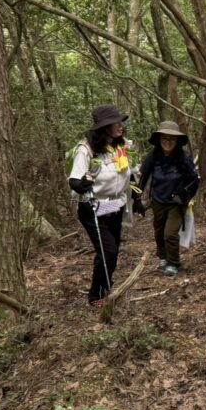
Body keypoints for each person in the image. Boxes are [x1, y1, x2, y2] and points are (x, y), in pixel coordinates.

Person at [68, 104, 144, 306]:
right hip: (92, 207)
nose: (120, 126)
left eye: (120, 122)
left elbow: (130, 174)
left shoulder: (122, 146)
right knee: (108, 251)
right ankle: (96, 295)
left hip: (115, 205)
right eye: (115, 123)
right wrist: (82, 184)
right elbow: (74, 180)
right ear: (104, 127)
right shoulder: (86, 149)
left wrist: (137, 199)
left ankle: (106, 285)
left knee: (110, 251)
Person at [137, 121, 200, 276]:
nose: (168, 142)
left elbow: (194, 180)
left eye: (172, 139)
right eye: (165, 138)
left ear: (177, 140)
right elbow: (143, 177)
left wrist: (184, 194)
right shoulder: (153, 157)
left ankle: (173, 262)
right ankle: (163, 257)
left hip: (176, 203)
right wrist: (137, 198)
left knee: (170, 233)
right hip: (158, 200)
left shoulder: (184, 158)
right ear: (159, 140)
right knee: (159, 232)